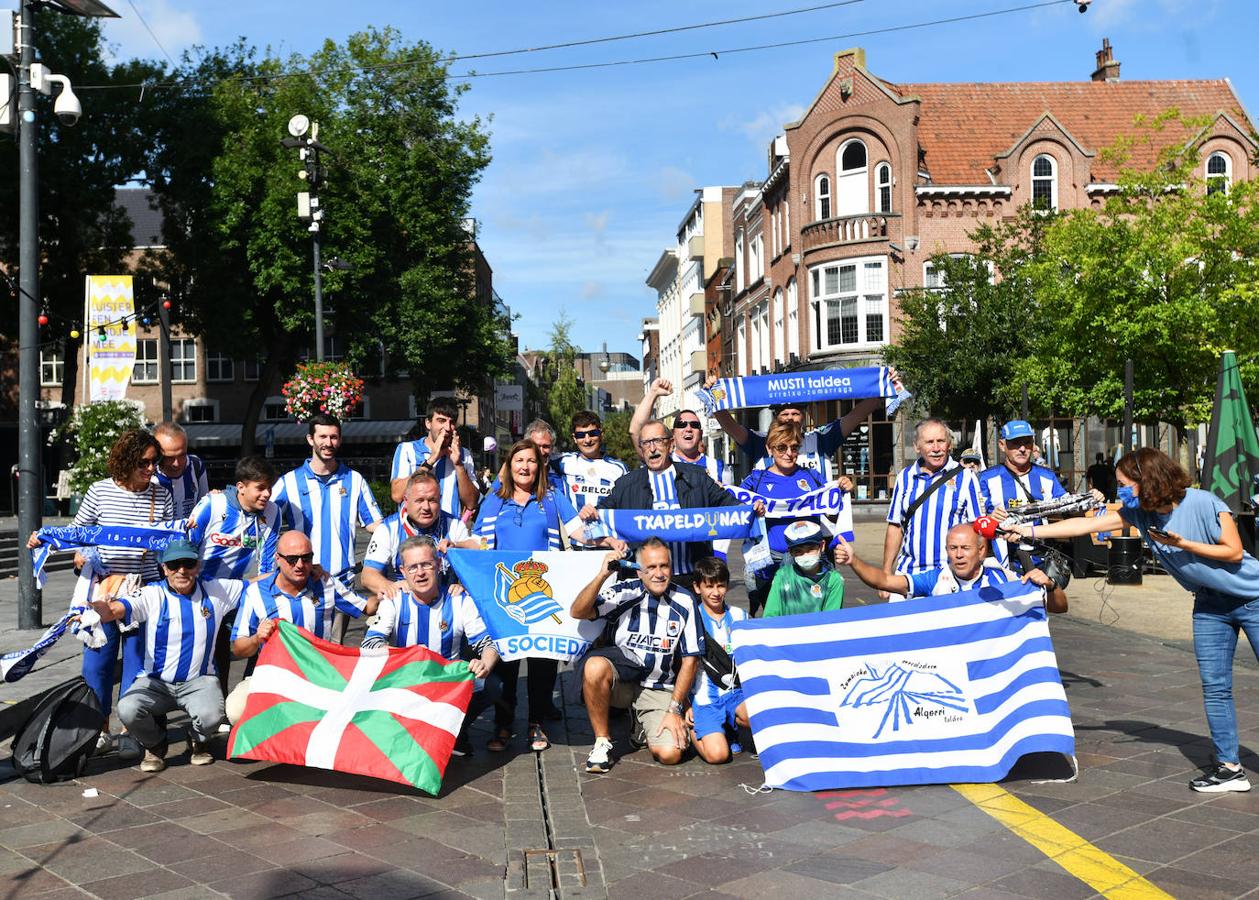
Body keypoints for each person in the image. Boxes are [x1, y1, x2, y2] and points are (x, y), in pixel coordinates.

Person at [1008, 447, 1259, 793]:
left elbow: (1232, 551)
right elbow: (1088, 523)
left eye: (1126, 483)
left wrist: (1183, 543)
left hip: (1252, 598)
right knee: (1215, 687)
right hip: (1209, 604)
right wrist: (1027, 531)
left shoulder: (1203, 502)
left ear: (1148, 480)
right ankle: (1230, 768)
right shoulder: (1139, 513)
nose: (1120, 490)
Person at [27, 429, 175, 752]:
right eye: (144, 462)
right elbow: (76, 533)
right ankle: (98, 729)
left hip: (143, 591)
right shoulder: (100, 491)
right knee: (98, 664)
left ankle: (133, 729)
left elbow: (171, 538)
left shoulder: (160, 494)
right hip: (103, 590)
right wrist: (47, 538)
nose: (151, 469)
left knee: (138, 665)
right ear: (126, 460)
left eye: (155, 462)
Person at [87, 540, 244, 772]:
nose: (182, 570)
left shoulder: (216, 590)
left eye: (188, 563)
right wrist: (103, 609)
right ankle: (156, 744)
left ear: (198, 566)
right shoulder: (152, 594)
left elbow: (257, 585)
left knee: (213, 715)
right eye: (174, 564)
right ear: (164, 568)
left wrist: (293, 567)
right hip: (156, 682)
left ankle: (198, 740)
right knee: (128, 709)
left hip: (199, 681)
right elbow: (119, 608)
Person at [361, 536, 503, 757]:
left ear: (438, 565)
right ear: (403, 571)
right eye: (413, 567)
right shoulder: (394, 600)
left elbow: (488, 642)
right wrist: (404, 659)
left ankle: (456, 731)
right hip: (406, 684)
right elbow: (370, 644)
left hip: (447, 686)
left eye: (426, 564)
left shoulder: (459, 600)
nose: (420, 573)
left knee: (492, 686)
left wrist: (484, 662)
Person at [572, 539, 705, 773]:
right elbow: (578, 611)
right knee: (593, 667)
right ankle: (602, 742)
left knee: (670, 753)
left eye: (664, 566)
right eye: (651, 567)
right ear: (638, 569)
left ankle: (639, 723)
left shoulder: (684, 601)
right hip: (622, 682)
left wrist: (675, 709)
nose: (659, 574)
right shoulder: (626, 592)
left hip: (658, 687)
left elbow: (690, 660)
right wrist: (602, 575)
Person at [471, 439, 564, 753]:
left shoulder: (551, 499)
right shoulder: (495, 500)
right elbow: (480, 543)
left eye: (531, 461)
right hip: (505, 598)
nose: (525, 467)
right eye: (519, 460)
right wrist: (454, 548)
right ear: (509, 467)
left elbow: (580, 531)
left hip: (543, 591)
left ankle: (536, 723)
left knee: (542, 663)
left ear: (540, 466)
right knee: (506, 664)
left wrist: (608, 540)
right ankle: (504, 724)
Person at [225, 531, 374, 724]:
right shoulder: (255, 593)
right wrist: (256, 639)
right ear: (278, 559)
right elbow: (238, 647)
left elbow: (368, 607)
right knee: (237, 709)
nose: (300, 565)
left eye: (306, 558)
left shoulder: (326, 584)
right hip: (275, 677)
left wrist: (395, 589)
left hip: (320, 676)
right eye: (292, 559)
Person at [595, 419, 748, 587]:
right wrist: (596, 520)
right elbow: (598, 520)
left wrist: (750, 510)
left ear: (671, 444)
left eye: (658, 441)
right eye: (646, 443)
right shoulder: (626, 485)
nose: (652, 448)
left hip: (691, 578)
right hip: (645, 580)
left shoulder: (697, 478)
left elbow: (728, 503)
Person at [186, 455, 281, 710]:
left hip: (242, 590)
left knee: (262, 637)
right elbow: (188, 547)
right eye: (260, 488)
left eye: (269, 488)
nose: (267, 494)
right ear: (241, 487)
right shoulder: (213, 504)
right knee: (210, 656)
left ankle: (248, 703)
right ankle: (214, 712)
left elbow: (267, 563)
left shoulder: (272, 512)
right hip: (204, 591)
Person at [707, 369, 902, 480]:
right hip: (775, 527)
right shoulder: (760, 442)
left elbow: (857, 414)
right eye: (785, 414)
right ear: (775, 417)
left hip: (818, 528)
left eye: (795, 413)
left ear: (804, 416)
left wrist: (884, 384)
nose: (790, 418)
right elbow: (729, 426)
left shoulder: (821, 439)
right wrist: (714, 395)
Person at [837, 522, 1067, 612]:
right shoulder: (937, 578)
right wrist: (854, 561)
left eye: (965, 548)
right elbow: (885, 581)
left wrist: (1051, 585)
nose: (957, 555)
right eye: (952, 548)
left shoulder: (1003, 578)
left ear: (981, 551)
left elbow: (1059, 607)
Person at [271, 413, 383, 589]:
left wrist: (404, 527)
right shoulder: (289, 482)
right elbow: (263, 518)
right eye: (322, 437)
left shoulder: (354, 480)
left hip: (342, 581)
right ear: (310, 439)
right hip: (302, 581)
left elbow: (375, 524)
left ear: (340, 440)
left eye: (333, 437)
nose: (328, 443)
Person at [883, 419, 984, 601]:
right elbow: (895, 527)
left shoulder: (966, 477)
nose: (936, 448)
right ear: (917, 446)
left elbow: (978, 528)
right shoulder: (904, 478)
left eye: (941, 441)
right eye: (929, 442)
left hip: (948, 577)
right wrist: (886, 574)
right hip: (908, 575)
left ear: (949, 444)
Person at [739, 423, 829, 615]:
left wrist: (844, 487)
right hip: (769, 563)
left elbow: (832, 509)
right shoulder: (757, 479)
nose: (789, 453)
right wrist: (750, 510)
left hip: (807, 562)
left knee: (805, 617)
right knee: (773, 619)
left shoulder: (811, 477)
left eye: (794, 447)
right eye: (781, 447)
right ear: (769, 449)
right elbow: (735, 507)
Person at [362, 470, 478, 597]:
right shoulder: (388, 529)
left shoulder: (454, 525)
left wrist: (463, 585)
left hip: (447, 604)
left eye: (432, 500)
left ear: (440, 499)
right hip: (405, 602)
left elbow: (478, 558)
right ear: (406, 501)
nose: (426, 507)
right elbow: (368, 576)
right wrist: (391, 586)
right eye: (419, 500)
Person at [977, 420, 1067, 567]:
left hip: (1041, 558)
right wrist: (989, 519)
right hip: (1003, 561)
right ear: (1002, 445)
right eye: (1015, 443)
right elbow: (974, 520)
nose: (1022, 448)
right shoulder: (986, 478)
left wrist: (1093, 497)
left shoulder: (1047, 476)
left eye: (1027, 442)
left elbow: (1068, 506)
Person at [687, 556, 749, 764]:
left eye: (721, 586)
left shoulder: (741, 616)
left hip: (736, 692)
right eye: (709, 586)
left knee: (757, 717)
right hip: (705, 697)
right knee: (718, 756)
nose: (716, 592)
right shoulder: (690, 618)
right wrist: (684, 705)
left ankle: (730, 727)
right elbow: (681, 666)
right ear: (697, 588)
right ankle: (692, 729)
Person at [630, 379, 732, 486]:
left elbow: (731, 497)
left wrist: (717, 394)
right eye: (682, 424)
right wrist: (653, 393)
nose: (688, 429)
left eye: (694, 425)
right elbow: (635, 430)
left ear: (701, 433)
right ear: (673, 434)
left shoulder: (717, 466)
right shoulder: (662, 460)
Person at [389, 398, 479, 517]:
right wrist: (431, 460)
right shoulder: (407, 450)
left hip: (449, 532)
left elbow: (471, 503)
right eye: (441, 421)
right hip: (413, 532)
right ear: (428, 423)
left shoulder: (464, 455)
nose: (447, 427)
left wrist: (458, 465)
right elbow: (397, 495)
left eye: (452, 422)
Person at [552, 411, 629, 518]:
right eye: (581, 435)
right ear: (574, 438)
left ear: (601, 434)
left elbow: (626, 504)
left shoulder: (618, 469)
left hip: (607, 533)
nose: (587, 440)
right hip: (575, 532)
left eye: (593, 434)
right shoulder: (564, 461)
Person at [763, 520, 845, 617]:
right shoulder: (782, 576)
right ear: (790, 552)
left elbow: (831, 619)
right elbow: (770, 616)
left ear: (822, 546)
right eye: (798, 551)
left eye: (810, 549)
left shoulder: (834, 580)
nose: (805, 555)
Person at [153, 422, 209, 519]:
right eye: (169, 458)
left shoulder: (196, 466)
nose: (177, 463)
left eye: (182, 455)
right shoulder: (148, 474)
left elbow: (204, 505)